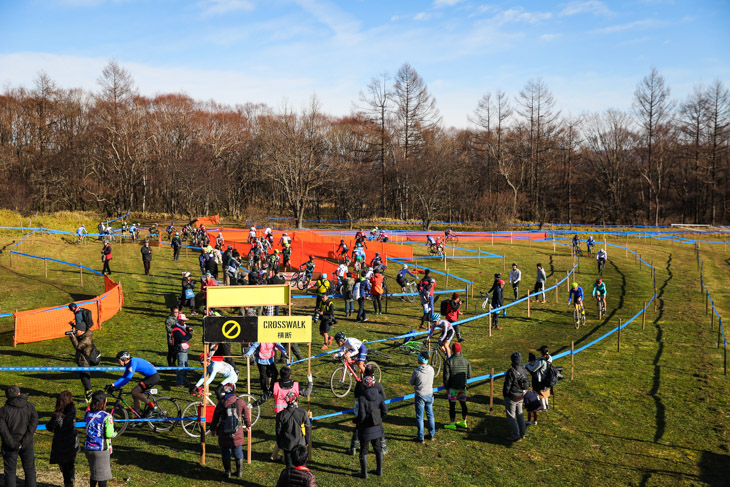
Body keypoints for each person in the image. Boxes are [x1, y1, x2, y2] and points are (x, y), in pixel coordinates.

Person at [210, 383, 251, 479]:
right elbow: (246, 414)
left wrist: (212, 429)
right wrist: (248, 425)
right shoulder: (240, 401)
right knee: (238, 449)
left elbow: (215, 417)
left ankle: (227, 472)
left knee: (225, 451)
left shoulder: (221, 402)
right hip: (237, 430)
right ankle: (239, 472)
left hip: (224, 430)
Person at [0, 385, 38, 487]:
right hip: (26, 443)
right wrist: (25, 441)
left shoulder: (3, 411)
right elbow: (33, 424)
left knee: (10, 472)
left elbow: (3, 431)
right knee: (30, 470)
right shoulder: (30, 407)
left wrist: (13, 444)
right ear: (19, 394)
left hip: (10, 445)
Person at [105, 351, 160, 415]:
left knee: (135, 391)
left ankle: (151, 405)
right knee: (134, 394)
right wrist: (113, 384)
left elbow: (128, 378)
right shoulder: (129, 364)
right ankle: (137, 416)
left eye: (119, 360)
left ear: (124, 359)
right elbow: (124, 377)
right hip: (149, 377)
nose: (118, 362)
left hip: (153, 377)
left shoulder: (133, 362)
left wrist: (117, 386)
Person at [355, 375, 387, 478]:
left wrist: (356, 421)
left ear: (364, 386)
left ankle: (364, 473)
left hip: (365, 428)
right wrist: (378, 418)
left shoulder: (362, 398)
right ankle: (379, 470)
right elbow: (385, 410)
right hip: (377, 426)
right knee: (378, 448)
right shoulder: (379, 396)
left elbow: (362, 415)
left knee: (364, 450)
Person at [46, 391, 79, 487]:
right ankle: (70, 480)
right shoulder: (73, 410)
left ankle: (68, 483)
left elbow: (50, 427)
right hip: (72, 441)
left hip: (62, 443)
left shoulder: (58, 415)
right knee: (70, 464)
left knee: (65, 465)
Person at [83, 390, 115, 487]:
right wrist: (115, 433)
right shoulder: (107, 416)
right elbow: (109, 434)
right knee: (102, 477)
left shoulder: (87, 414)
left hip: (88, 448)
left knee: (94, 473)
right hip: (100, 450)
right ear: (103, 402)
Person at [67, 303, 96, 402]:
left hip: (85, 362)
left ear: (82, 330)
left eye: (77, 330)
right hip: (82, 361)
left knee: (85, 379)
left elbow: (78, 347)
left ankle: (89, 397)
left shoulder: (86, 339)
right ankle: (88, 394)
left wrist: (73, 338)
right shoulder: (84, 335)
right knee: (83, 378)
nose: (76, 331)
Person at [276, 391, 311, 468]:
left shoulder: (281, 415)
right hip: (300, 443)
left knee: (289, 466)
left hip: (287, 444)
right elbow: (308, 428)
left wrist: (279, 443)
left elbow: (278, 431)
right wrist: (307, 440)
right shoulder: (303, 412)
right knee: (301, 466)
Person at [443, 342, 471, 430]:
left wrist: (447, 387)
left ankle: (452, 423)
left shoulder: (449, 361)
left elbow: (446, 376)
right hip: (463, 388)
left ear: (452, 350)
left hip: (452, 388)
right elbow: (469, 375)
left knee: (452, 405)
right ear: (460, 350)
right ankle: (464, 421)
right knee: (463, 404)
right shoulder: (466, 361)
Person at [503, 352, 530, 442]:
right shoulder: (524, 370)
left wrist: (505, 395)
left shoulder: (511, 371)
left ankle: (515, 434)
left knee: (511, 416)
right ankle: (522, 433)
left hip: (512, 397)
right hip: (521, 396)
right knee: (520, 415)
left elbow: (507, 385)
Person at [410, 352, 435, 443]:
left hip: (420, 395)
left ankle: (421, 437)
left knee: (420, 417)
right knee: (430, 415)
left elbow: (411, 382)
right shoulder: (431, 369)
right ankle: (431, 434)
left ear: (420, 360)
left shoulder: (416, 371)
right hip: (429, 394)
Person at [171, 314, 193, 386]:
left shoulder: (183, 328)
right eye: (183, 321)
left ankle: (184, 380)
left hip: (184, 349)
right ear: (179, 321)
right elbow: (183, 339)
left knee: (186, 365)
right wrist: (189, 334)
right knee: (181, 366)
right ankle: (180, 382)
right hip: (180, 350)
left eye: (185, 321)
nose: (184, 322)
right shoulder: (176, 330)